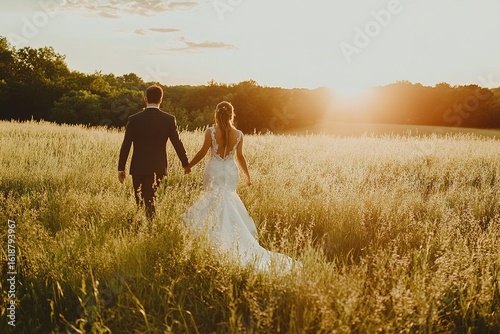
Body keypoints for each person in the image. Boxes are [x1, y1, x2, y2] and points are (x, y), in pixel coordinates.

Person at [181, 101, 297, 271]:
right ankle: (233, 239)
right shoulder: (239, 134)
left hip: (213, 169)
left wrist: (189, 165)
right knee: (228, 201)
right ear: (231, 115)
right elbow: (240, 157)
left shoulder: (211, 131)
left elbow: (203, 151)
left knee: (213, 200)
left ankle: (213, 239)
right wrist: (247, 176)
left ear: (216, 114)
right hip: (230, 171)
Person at [118, 85, 190, 220]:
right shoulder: (168, 119)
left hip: (138, 167)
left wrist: (121, 168)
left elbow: (126, 144)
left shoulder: (134, 119)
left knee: (139, 201)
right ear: (161, 100)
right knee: (151, 200)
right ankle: (150, 228)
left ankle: (140, 228)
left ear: (145, 99)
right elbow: (177, 143)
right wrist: (185, 164)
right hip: (158, 167)